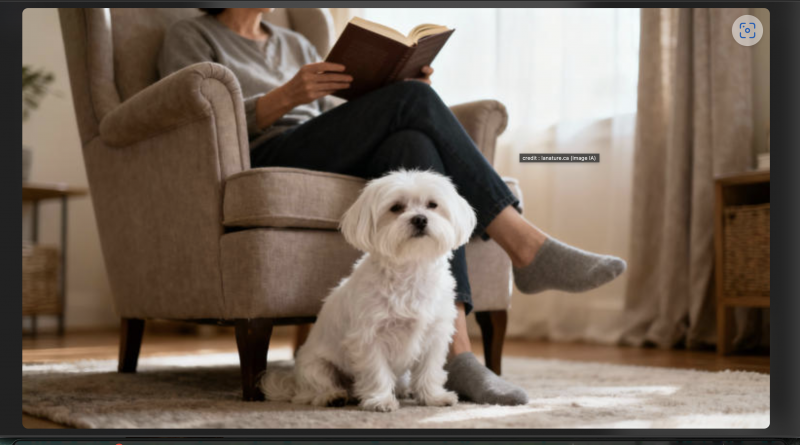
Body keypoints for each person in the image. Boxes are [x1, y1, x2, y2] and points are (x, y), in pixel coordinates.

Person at [158, 8, 627, 406]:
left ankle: (458, 356)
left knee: (412, 137)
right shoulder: (191, 35)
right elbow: (190, 122)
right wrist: (284, 98)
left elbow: (328, 120)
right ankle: (525, 246)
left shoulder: (294, 40)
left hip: (321, 149)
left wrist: (392, 86)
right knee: (413, 102)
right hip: (260, 150)